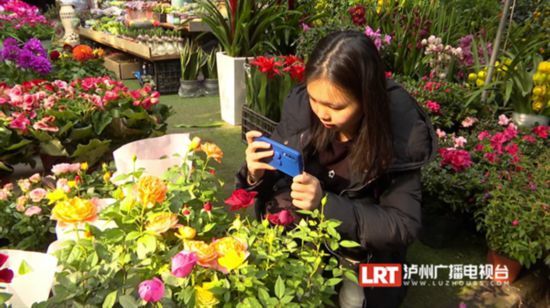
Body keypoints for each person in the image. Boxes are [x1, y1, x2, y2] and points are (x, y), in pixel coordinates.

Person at [236, 31, 437, 308]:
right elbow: (275, 175)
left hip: (366, 251)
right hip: (313, 236)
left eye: (337, 106)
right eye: (314, 99)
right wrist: (254, 173)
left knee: (357, 301)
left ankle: (355, 284)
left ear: (368, 100)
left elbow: (403, 225)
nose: (323, 113)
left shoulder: (400, 134)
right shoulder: (301, 108)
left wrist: (325, 204)